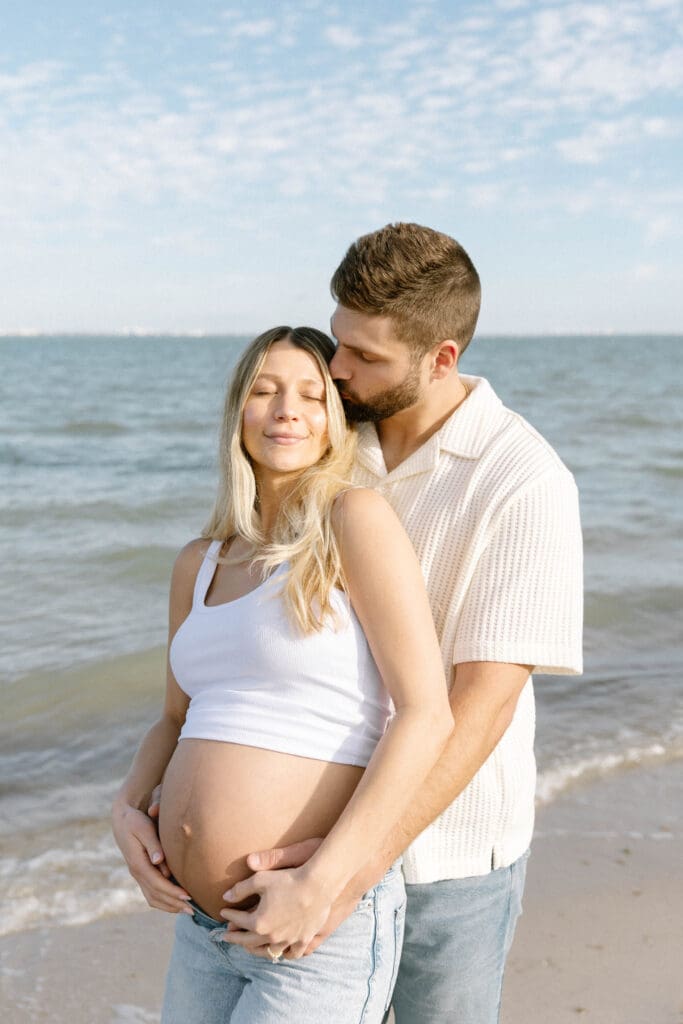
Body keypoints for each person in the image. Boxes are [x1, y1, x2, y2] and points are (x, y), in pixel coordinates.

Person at [115, 225, 584, 1024]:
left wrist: (344, 870)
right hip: (281, 875)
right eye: (338, 343)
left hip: (445, 859)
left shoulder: (520, 479)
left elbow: (477, 705)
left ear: (439, 358)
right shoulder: (335, 433)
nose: (337, 371)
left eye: (363, 356)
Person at [112, 324, 453, 1024]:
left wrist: (323, 884)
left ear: (333, 421)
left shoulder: (352, 520)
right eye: (265, 391)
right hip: (204, 931)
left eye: (309, 394)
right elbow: (176, 720)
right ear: (238, 410)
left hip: (311, 926)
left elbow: (426, 715)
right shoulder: (197, 561)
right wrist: (126, 806)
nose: (286, 409)